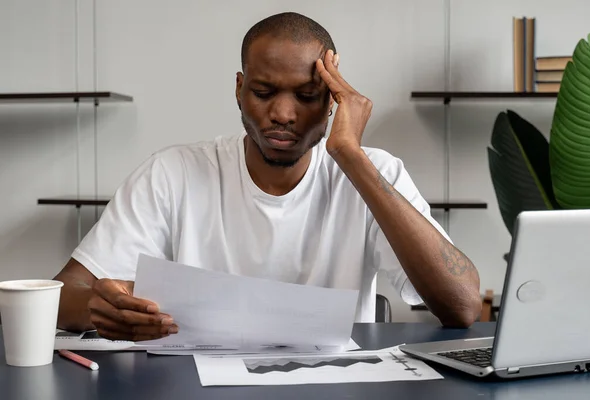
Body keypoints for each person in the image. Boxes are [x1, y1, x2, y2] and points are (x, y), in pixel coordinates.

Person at [54, 12, 481, 341]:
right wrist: (98, 307)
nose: (282, 114)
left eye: (307, 96)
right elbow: (61, 293)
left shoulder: (375, 172)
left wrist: (350, 155)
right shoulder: (172, 173)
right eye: (263, 93)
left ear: (334, 101)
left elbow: (462, 306)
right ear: (239, 89)